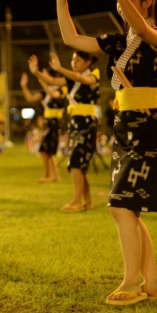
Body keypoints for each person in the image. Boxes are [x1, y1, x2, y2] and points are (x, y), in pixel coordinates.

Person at [55, 0, 157, 305]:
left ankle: (132, 283)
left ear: (147, 1)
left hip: (148, 127)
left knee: (121, 206)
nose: (122, 7)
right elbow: (71, 38)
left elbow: (145, 29)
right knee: (128, 208)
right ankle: (150, 282)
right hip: (124, 127)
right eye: (119, 1)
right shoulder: (119, 42)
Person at [29, 50, 99, 210]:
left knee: (76, 163)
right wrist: (36, 72)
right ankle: (87, 202)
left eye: (78, 60)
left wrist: (60, 68)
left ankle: (76, 201)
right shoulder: (71, 80)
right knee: (78, 164)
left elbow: (81, 78)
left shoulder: (94, 73)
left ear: (88, 62)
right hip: (75, 123)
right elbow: (51, 79)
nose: (74, 63)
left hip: (87, 123)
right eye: (73, 60)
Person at [20, 70, 67, 183]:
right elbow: (30, 98)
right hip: (47, 123)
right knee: (44, 150)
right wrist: (23, 86)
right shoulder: (45, 92)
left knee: (48, 150)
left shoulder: (61, 90)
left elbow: (53, 95)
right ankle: (53, 176)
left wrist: (42, 81)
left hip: (55, 123)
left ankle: (50, 176)